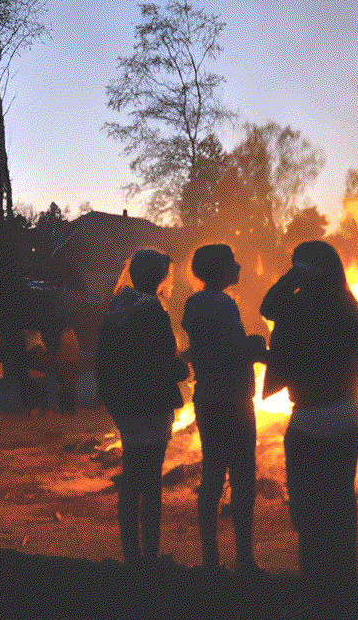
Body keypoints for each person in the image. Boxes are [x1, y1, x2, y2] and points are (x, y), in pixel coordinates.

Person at [261, 241, 358, 615]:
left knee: (307, 504)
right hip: (346, 411)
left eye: (300, 265)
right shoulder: (349, 304)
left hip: (308, 414)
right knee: (340, 497)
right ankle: (343, 580)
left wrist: (294, 276)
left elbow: (267, 307)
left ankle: (314, 584)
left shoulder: (297, 304)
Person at [96, 249, 188, 565]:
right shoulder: (153, 313)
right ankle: (149, 557)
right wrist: (184, 369)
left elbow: (105, 363)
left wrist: (112, 401)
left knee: (132, 479)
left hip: (125, 408)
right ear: (159, 277)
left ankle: (132, 556)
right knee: (150, 485)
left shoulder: (117, 311)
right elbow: (161, 364)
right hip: (151, 407)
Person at [182, 244, 267, 574]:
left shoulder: (195, 303)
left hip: (207, 399)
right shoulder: (222, 304)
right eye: (233, 261)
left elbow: (204, 349)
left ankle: (210, 560)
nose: (239, 265)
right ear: (219, 269)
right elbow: (230, 351)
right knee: (243, 479)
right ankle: (244, 559)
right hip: (233, 401)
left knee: (212, 477)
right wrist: (258, 347)